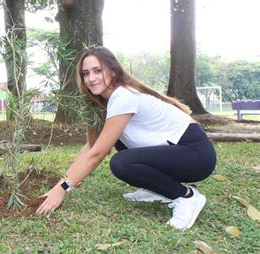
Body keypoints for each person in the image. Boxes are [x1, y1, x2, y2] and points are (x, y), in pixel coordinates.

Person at [36, 46, 216, 230]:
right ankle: (158, 189)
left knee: (122, 162)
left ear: (113, 71)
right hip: (175, 152)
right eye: (85, 73)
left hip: (196, 155)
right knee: (118, 142)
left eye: (98, 71)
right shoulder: (104, 104)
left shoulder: (124, 96)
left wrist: (62, 189)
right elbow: (91, 147)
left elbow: (98, 154)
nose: (91, 78)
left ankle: (186, 197)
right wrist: (61, 183)